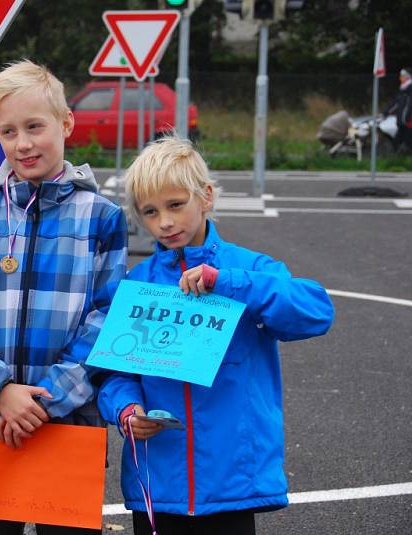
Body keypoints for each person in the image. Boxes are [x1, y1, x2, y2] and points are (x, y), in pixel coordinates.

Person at [96, 136, 334, 535]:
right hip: (158, 482)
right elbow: (115, 373)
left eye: (175, 205)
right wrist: (126, 410)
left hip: (233, 481)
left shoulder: (248, 269)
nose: (165, 223)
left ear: (205, 197)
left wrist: (229, 283)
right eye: (150, 212)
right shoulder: (138, 284)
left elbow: (315, 311)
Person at [0, 60, 128, 535]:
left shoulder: (102, 218)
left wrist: (46, 401)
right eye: (8, 131)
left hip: (67, 430)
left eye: (35, 127)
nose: (23, 143)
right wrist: (0, 390)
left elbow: (108, 316)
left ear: (66, 124)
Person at [383, 67, 412, 151]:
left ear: (407, 77)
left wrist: (406, 117)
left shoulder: (409, 91)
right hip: (403, 123)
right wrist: (386, 112)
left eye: (402, 76)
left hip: (408, 123)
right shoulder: (402, 90)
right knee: (398, 142)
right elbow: (395, 103)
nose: (400, 78)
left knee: (405, 143)